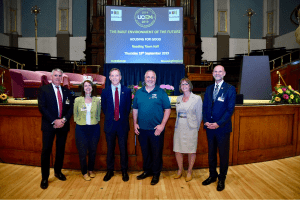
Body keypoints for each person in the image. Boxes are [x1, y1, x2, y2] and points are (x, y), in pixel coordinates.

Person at [133, 70, 171, 185]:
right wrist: (135, 123)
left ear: (155, 79)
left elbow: (168, 109)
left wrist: (162, 125)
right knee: (145, 153)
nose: (150, 79)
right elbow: (135, 109)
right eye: (148, 77)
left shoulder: (161, 92)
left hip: (156, 130)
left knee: (156, 153)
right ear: (144, 79)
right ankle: (147, 171)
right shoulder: (139, 92)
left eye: (152, 77)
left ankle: (156, 173)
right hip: (142, 130)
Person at [38, 68, 74, 189]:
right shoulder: (44, 89)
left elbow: (70, 108)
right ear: (51, 77)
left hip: (63, 126)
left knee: (60, 150)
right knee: (46, 151)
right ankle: (44, 177)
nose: (58, 78)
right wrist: (55, 120)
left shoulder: (67, 91)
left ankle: (58, 172)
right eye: (56, 75)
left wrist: (63, 120)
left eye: (60, 76)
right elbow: (42, 107)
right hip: (49, 125)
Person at [202, 65, 236, 191]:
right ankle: (212, 175)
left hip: (222, 128)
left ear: (224, 73)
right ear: (212, 73)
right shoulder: (209, 88)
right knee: (211, 153)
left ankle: (222, 178)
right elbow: (205, 107)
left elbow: (230, 110)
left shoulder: (230, 89)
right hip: (209, 128)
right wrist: (206, 121)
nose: (217, 73)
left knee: (223, 155)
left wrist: (218, 123)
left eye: (220, 71)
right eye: (215, 71)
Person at [101, 68, 132, 182]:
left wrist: (119, 118)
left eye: (117, 75)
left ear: (120, 77)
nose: (114, 78)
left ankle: (124, 171)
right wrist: (112, 117)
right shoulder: (105, 91)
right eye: (112, 75)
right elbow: (104, 108)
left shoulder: (127, 91)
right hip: (110, 125)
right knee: (110, 149)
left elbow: (128, 108)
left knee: (123, 149)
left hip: (122, 125)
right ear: (109, 78)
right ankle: (110, 171)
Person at [173, 78, 202, 182]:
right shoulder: (178, 98)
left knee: (191, 150)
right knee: (177, 149)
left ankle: (189, 171)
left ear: (190, 86)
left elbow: (199, 115)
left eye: (186, 84)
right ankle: (180, 170)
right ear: (180, 87)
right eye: (182, 84)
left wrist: (196, 128)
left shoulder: (197, 98)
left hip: (191, 127)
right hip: (179, 126)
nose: (184, 86)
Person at [73, 76, 101, 181]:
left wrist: (95, 122)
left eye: (89, 85)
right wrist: (80, 122)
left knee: (93, 151)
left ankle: (91, 170)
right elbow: (75, 115)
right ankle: (84, 172)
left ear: (92, 87)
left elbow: (98, 114)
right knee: (83, 152)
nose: (88, 87)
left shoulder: (97, 100)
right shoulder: (77, 100)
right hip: (81, 129)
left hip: (94, 128)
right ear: (83, 88)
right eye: (85, 85)